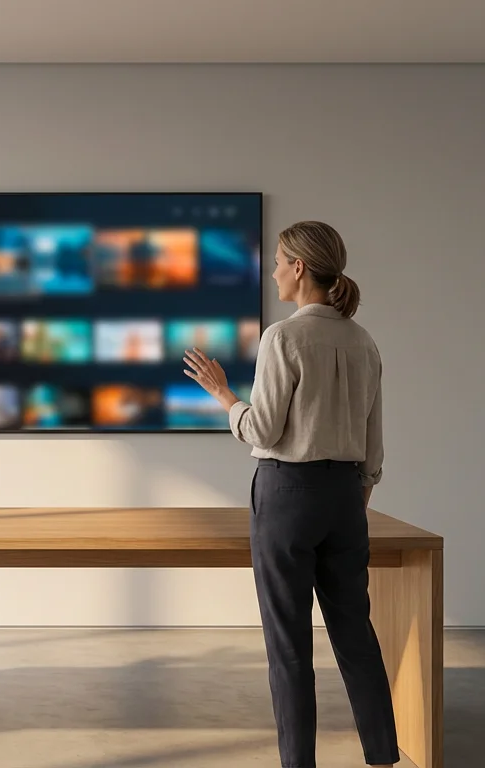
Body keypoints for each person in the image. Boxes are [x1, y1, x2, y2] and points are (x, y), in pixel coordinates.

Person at [183, 220, 398, 768]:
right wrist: (359, 492)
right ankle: (382, 756)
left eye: (279, 261)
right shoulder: (363, 340)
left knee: (289, 642)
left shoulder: (283, 337)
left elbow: (262, 429)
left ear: (299, 268)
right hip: (346, 496)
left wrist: (222, 394)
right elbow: (373, 438)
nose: (274, 271)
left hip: (288, 494)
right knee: (355, 632)